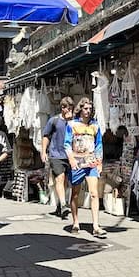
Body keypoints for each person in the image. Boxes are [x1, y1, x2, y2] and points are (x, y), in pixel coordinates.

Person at [64, 97, 106, 237]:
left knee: (94, 193)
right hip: (77, 161)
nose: (88, 111)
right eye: (85, 108)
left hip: (91, 161)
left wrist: (99, 162)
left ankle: (95, 225)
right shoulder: (71, 125)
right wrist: (71, 159)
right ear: (80, 109)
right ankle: (75, 221)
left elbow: (99, 144)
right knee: (75, 193)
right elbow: (67, 144)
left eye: (90, 109)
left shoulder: (95, 126)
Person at [41, 96, 74, 218]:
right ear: (62, 108)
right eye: (67, 108)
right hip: (56, 154)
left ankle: (60, 205)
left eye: (71, 108)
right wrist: (43, 151)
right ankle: (64, 204)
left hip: (69, 155)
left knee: (65, 181)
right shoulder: (54, 120)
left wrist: (71, 122)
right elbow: (46, 136)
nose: (69, 110)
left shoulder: (73, 121)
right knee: (59, 179)